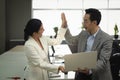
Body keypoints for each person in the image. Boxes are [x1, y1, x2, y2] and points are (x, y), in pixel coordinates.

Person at [64, 8, 113, 80]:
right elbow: (71, 40)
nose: (83, 23)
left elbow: (102, 61)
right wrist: (65, 27)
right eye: (83, 20)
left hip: (97, 75)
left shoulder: (106, 39)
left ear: (94, 23)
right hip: (81, 73)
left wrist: (89, 70)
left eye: (86, 21)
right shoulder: (83, 34)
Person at [24, 13, 67, 80]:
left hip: (44, 74)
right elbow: (40, 63)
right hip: (34, 77)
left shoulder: (42, 38)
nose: (44, 30)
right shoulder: (29, 45)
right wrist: (57, 67)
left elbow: (56, 41)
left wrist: (63, 27)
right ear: (34, 33)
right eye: (41, 29)